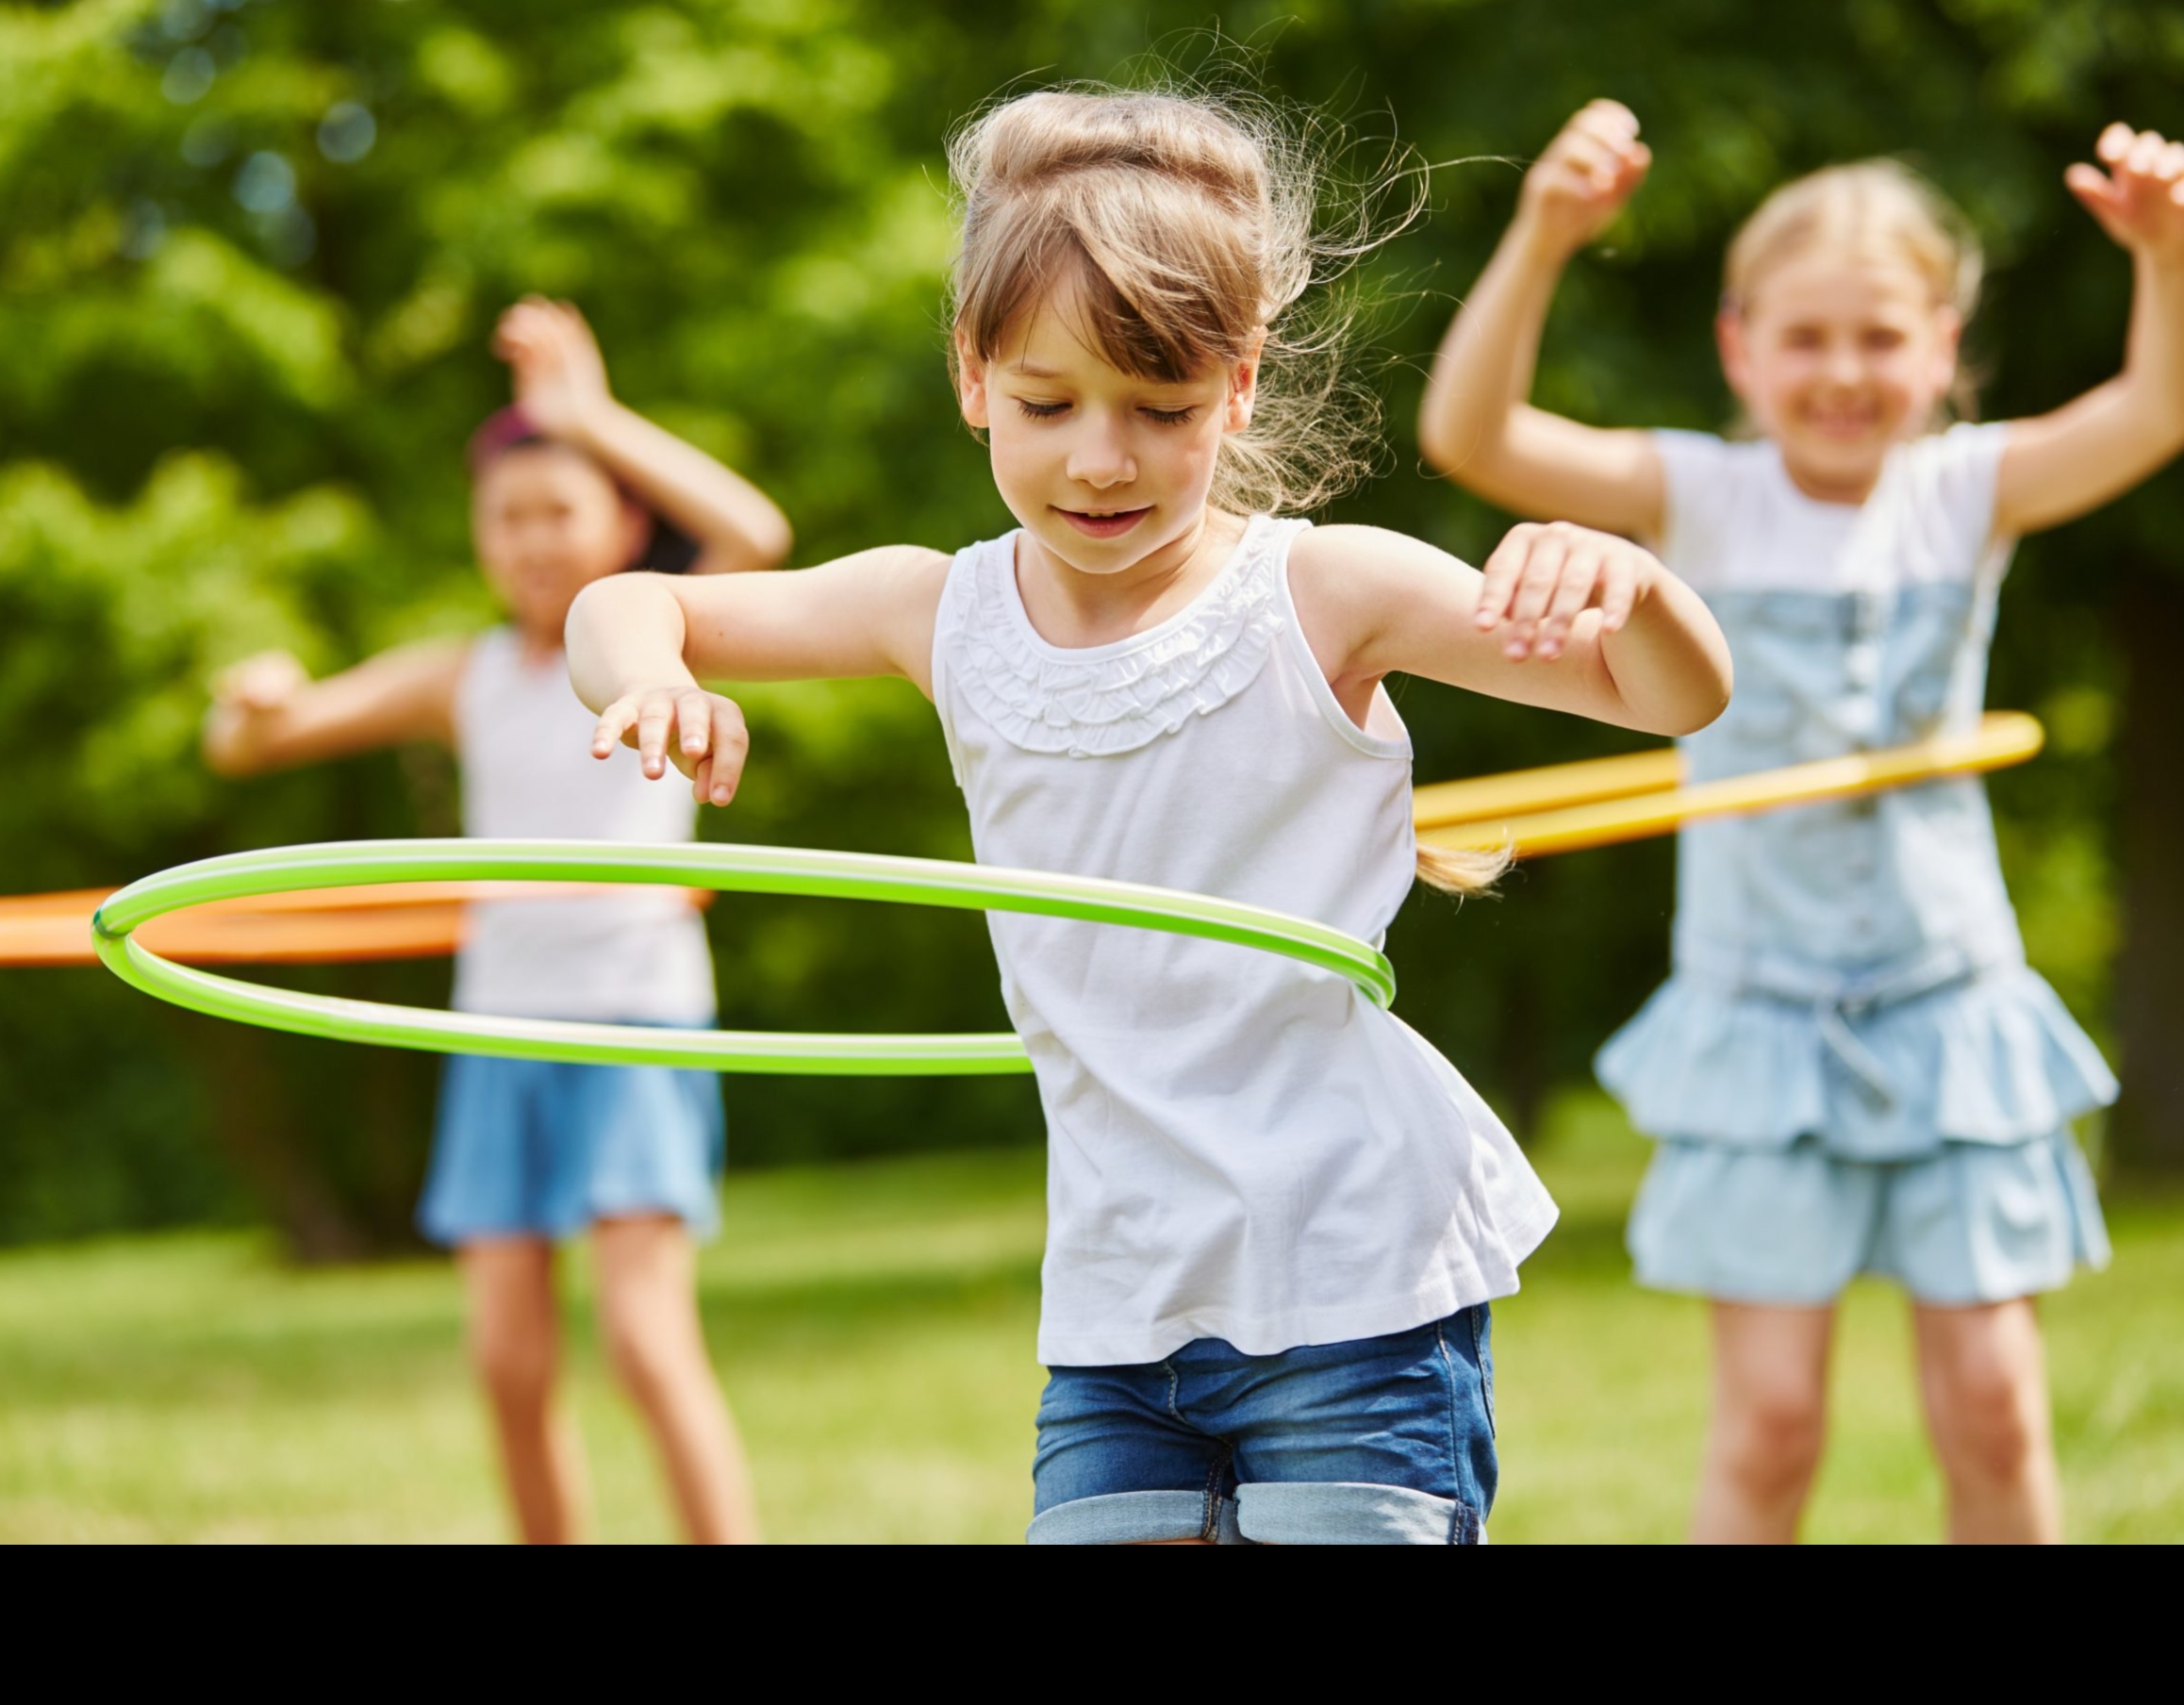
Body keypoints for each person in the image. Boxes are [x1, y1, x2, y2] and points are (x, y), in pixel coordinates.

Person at [562, 83, 1733, 1544]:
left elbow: (1669, 696)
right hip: (1119, 1311)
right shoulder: (939, 610)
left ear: (1238, 386)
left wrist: (1635, 580)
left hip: (1350, 1283)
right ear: (973, 374)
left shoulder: (1326, 592)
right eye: (1049, 404)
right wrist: (654, 676)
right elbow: (622, 600)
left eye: (1160, 409)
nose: (1100, 458)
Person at [1420, 103, 2184, 1543]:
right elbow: (1470, 434)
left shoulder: (1964, 490)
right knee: (1773, 1418)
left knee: (1993, 1401)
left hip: (1947, 1003)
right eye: (1804, 338)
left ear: (1939, 353)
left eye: (1879, 338)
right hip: (1759, 1017)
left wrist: (2171, 258)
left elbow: (2162, 408)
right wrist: (1545, 235)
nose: (1842, 372)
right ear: (1740, 347)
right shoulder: (1698, 496)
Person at [205, 297, 791, 1543]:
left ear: (624, 523)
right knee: (508, 1364)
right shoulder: (460, 677)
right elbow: (256, 742)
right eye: (507, 518)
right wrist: (252, 701)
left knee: (644, 1342)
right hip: (502, 1030)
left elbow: (756, 529)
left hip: (637, 1022)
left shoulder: (661, 637)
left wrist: (591, 415)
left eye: (559, 510)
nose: (532, 541)